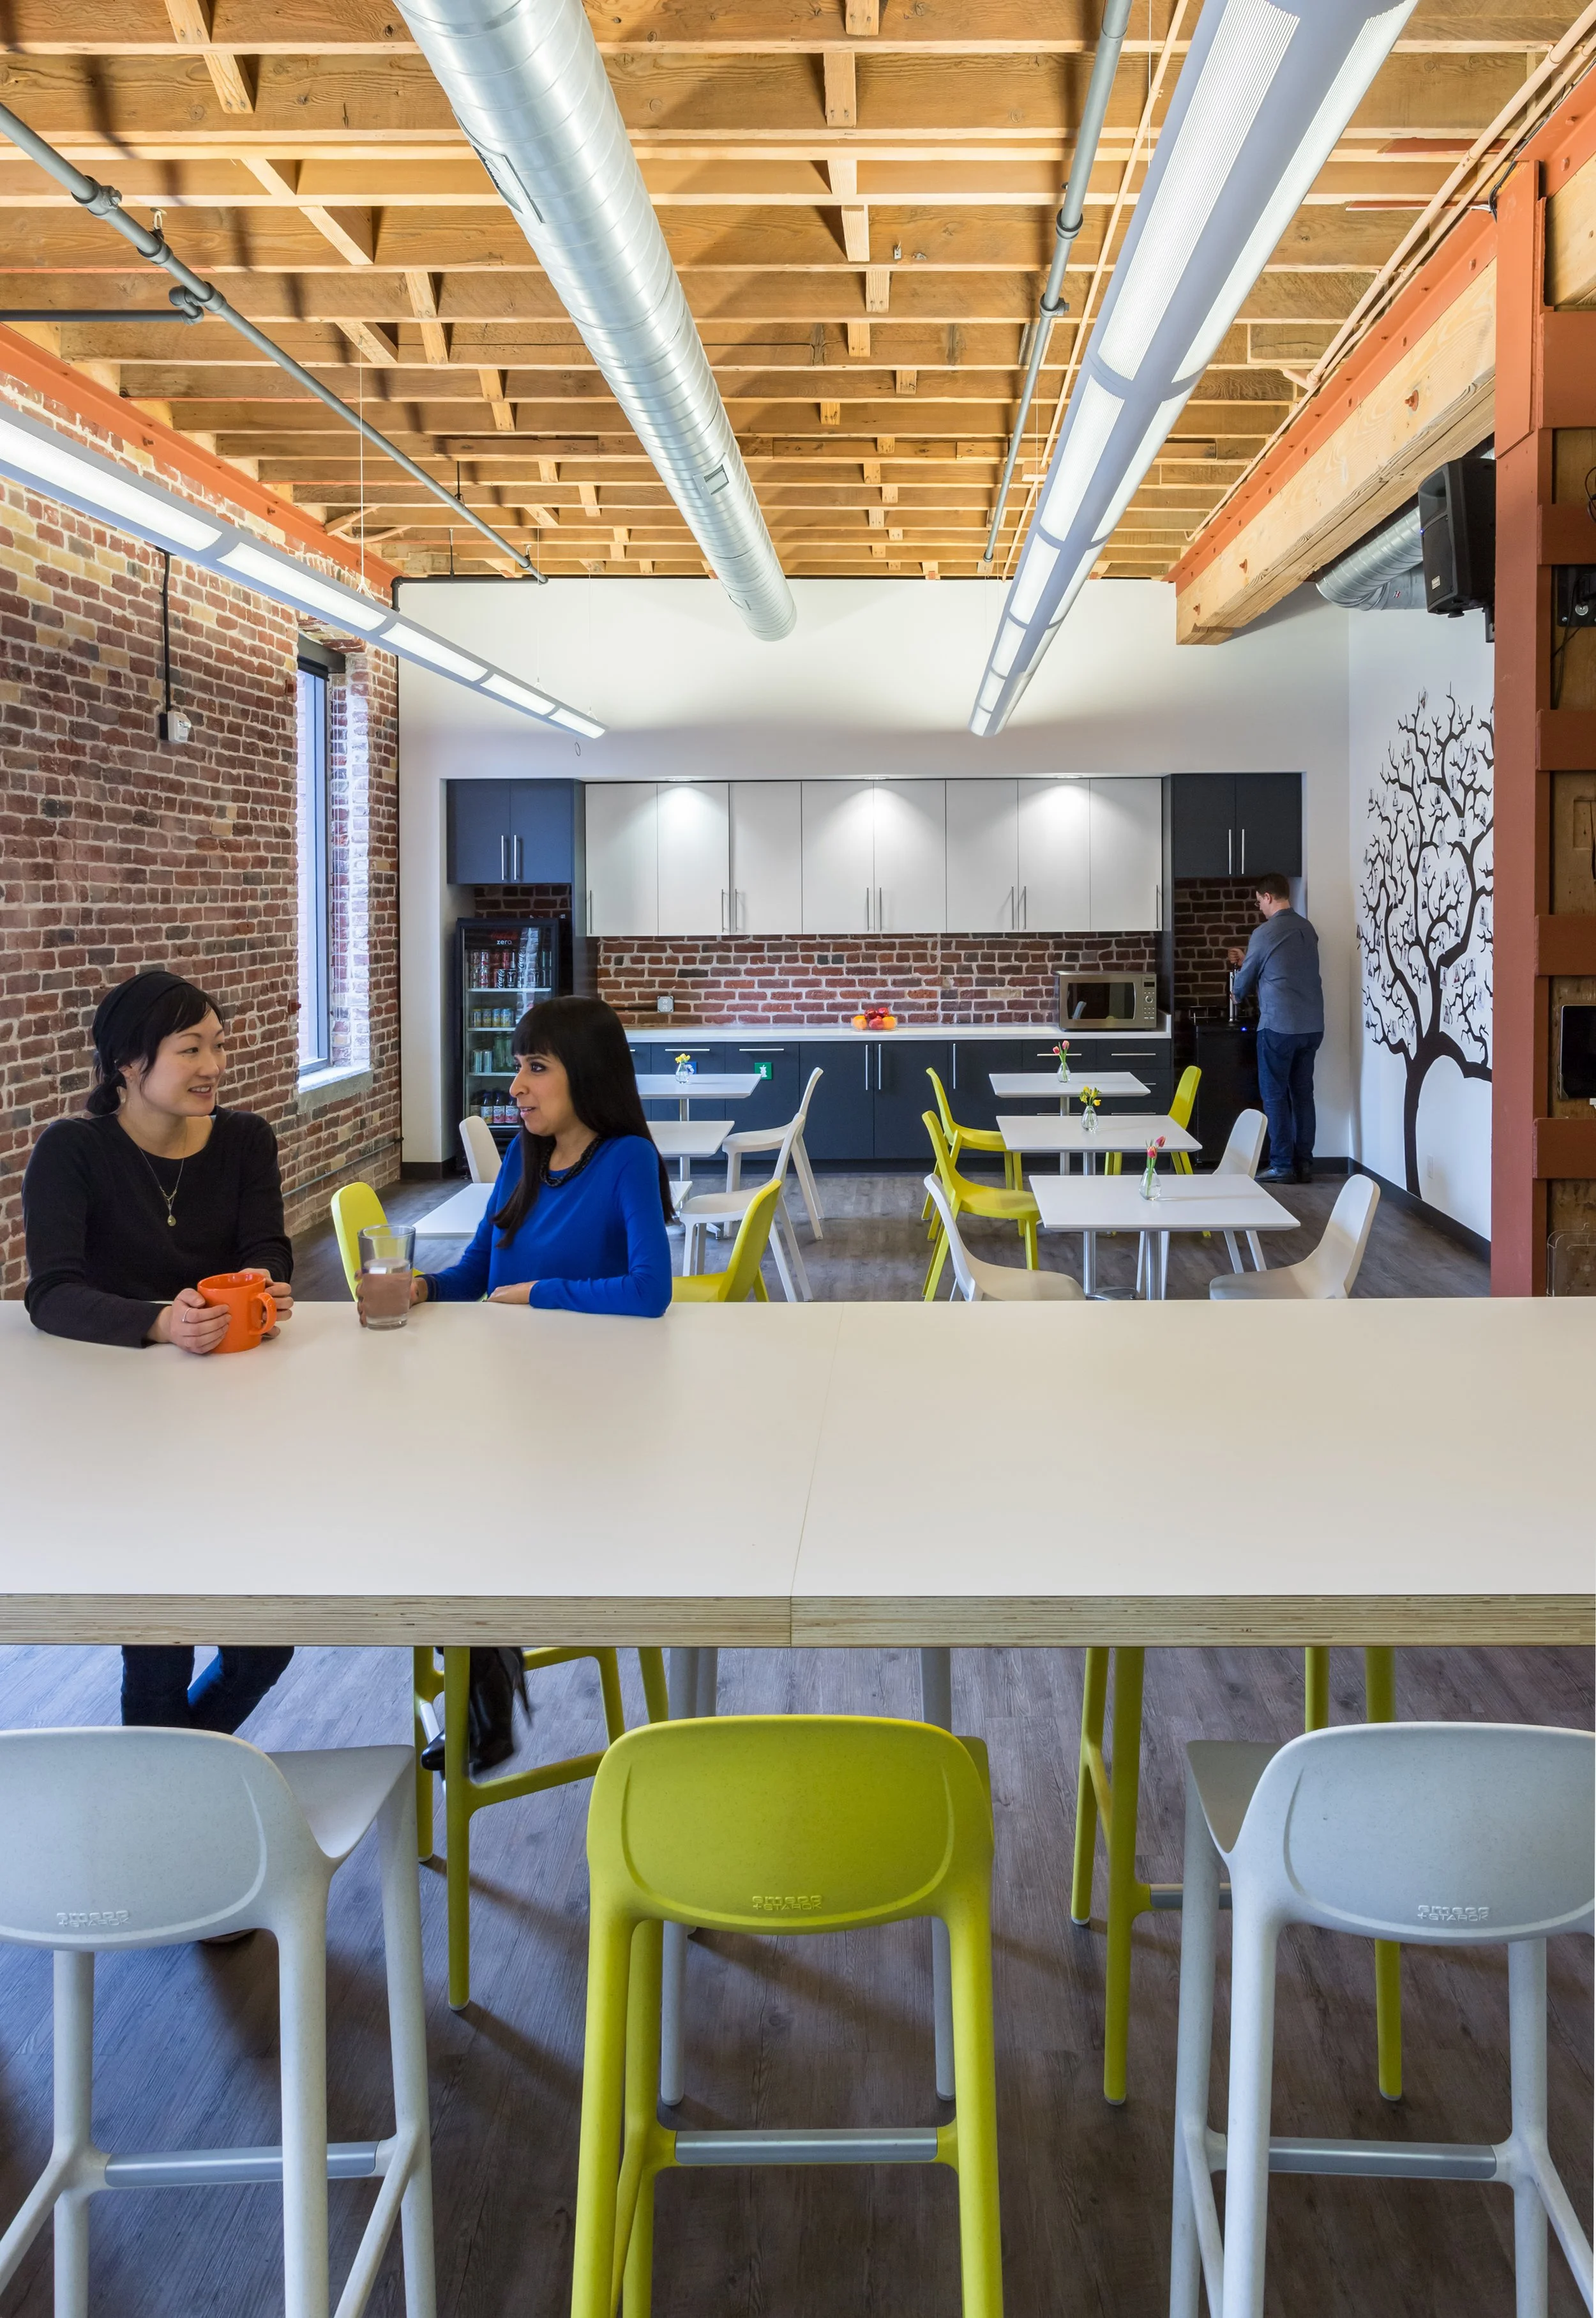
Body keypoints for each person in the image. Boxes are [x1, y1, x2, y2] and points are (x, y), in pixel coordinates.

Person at [389, 992, 673, 1773]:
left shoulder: (627, 1161)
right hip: (510, 1403)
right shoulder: (522, 1154)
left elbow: (650, 1291)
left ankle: (484, 1684)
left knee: (454, 1509)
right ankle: (487, 1672)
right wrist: (421, 1289)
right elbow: (478, 1271)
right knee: (420, 1499)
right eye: (517, 1066)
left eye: (536, 1067)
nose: (516, 1085)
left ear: (585, 1074)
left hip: (587, 1421)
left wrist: (536, 1293)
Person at [23, 969, 296, 1732]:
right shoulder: (72, 1151)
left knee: (263, 1650)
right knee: (159, 1649)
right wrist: (159, 1324)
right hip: (125, 1434)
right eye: (190, 1049)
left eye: (217, 1045)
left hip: (239, 1423)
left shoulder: (245, 1139)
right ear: (128, 1063)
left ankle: (173, 1774)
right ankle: (164, 1810)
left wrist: (267, 1288)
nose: (213, 1065)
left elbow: (266, 1246)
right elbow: (52, 1294)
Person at [1227, 874, 1324, 1185]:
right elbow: (1282, 966)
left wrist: (1236, 991)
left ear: (1268, 897)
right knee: (1303, 1095)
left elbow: (1246, 980)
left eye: (1259, 902)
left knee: (1275, 1096)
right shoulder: (1307, 928)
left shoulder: (1265, 932)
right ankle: (1304, 1164)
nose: (1260, 908)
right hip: (1311, 1027)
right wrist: (1250, 960)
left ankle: (1282, 1165)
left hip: (1279, 1027)